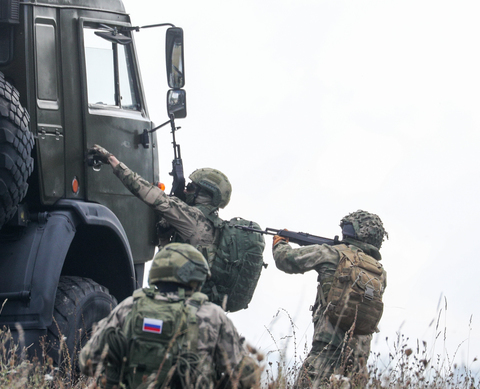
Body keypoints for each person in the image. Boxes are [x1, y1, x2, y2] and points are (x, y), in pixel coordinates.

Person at [89, 144, 262, 310]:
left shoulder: (192, 219)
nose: (185, 191)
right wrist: (164, 238)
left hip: (181, 308)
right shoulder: (213, 228)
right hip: (198, 309)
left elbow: (149, 194)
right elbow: (169, 265)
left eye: (190, 187)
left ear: (204, 194)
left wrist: (112, 160)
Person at [79, 243, 260, 389]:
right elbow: (247, 377)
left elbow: (87, 362)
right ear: (197, 276)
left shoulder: (130, 306)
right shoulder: (211, 315)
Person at [272, 210, 388, 388]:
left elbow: (286, 260)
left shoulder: (332, 253)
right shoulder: (379, 273)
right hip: (359, 357)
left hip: (326, 348)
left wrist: (280, 243)